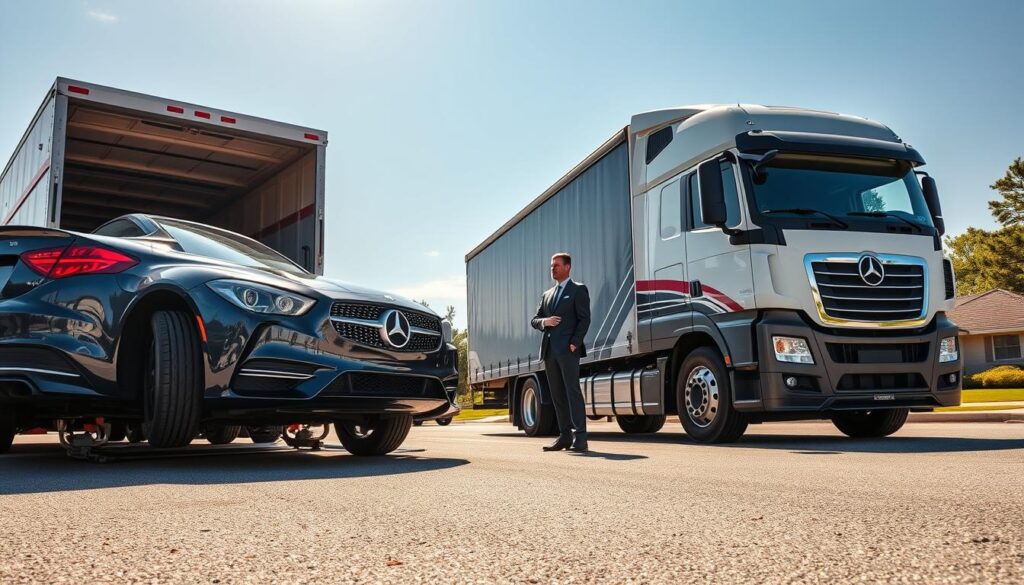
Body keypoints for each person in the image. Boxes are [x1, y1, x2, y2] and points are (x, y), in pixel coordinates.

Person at [530, 252, 591, 452]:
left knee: (572, 392)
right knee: (557, 395)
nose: (552, 268)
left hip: (567, 351)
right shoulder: (547, 295)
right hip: (549, 352)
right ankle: (564, 437)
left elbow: (584, 319)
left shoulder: (578, 290)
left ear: (567, 267)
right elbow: (535, 320)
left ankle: (580, 438)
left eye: (556, 265)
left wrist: (574, 343)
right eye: (551, 265)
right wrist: (545, 322)